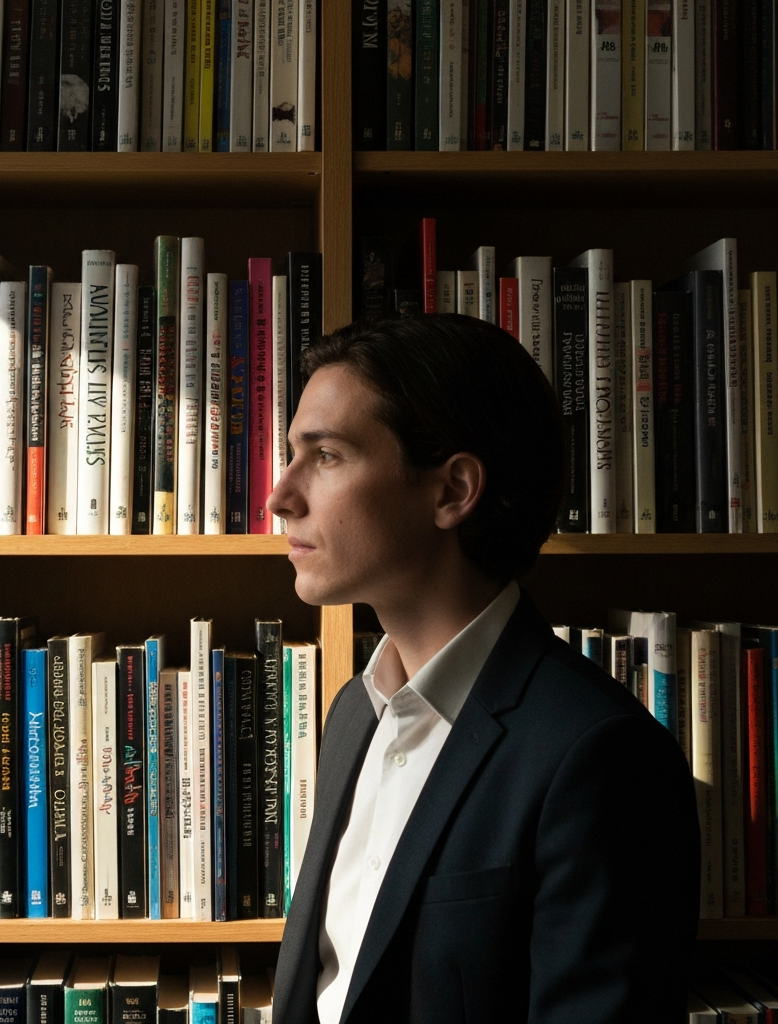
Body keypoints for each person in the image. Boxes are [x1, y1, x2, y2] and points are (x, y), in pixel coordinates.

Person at [267, 315, 700, 1024]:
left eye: (328, 455)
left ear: (452, 491)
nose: (281, 496)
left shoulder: (601, 758)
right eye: (293, 455)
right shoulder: (352, 711)